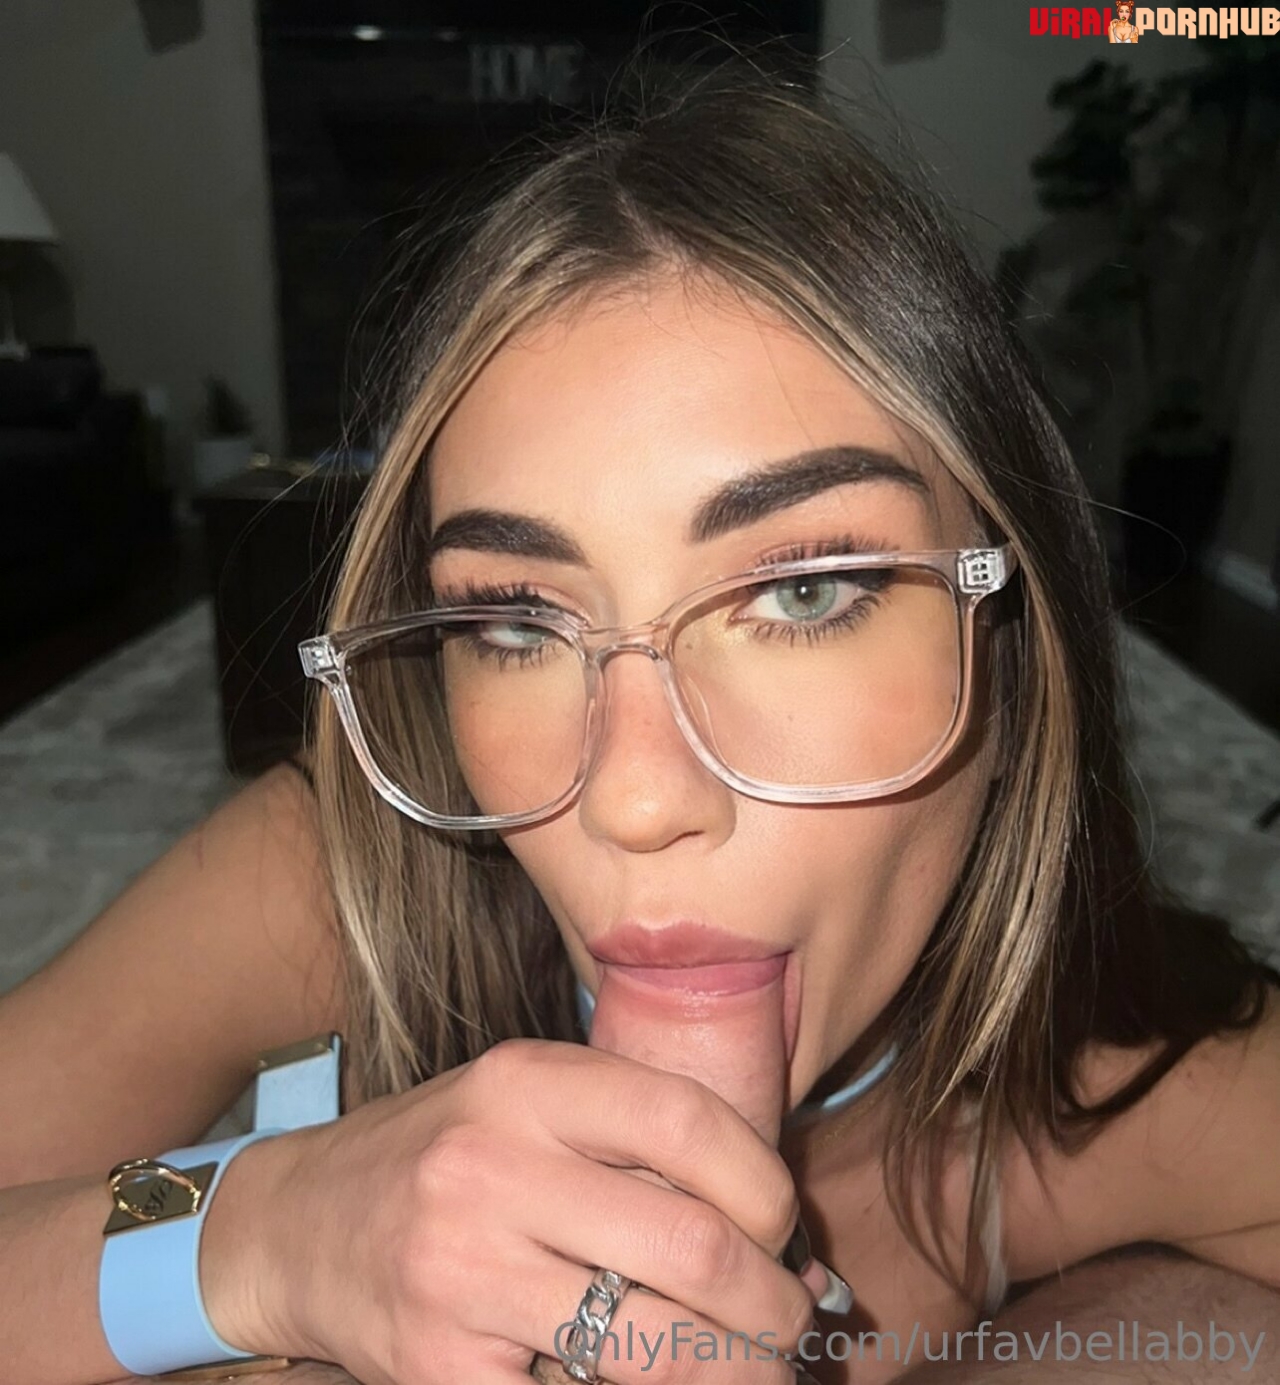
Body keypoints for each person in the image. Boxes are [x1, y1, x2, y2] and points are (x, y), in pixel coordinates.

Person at [2, 61, 1279, 1385]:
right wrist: (263, 1233)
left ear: (1012, 660)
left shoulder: (1123, 1094)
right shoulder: (345, 878)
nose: (634, 796)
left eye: (803, 589)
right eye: (515, 619)